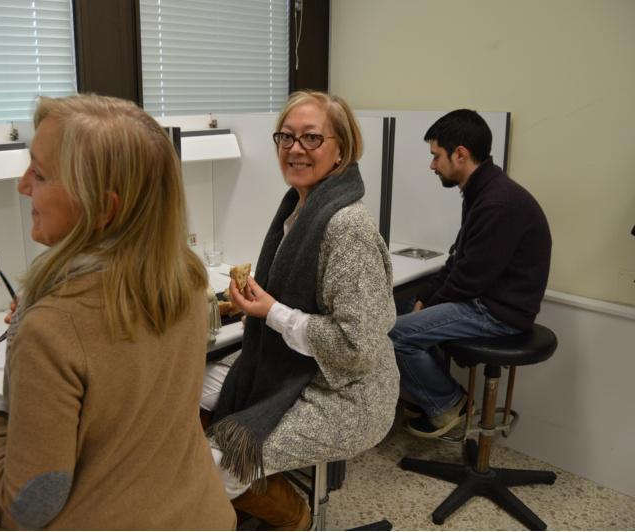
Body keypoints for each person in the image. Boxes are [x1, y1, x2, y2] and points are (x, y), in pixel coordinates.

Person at [0, 94, 236, 530]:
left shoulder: (50, 328)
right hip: (198, 513)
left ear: (103, 208)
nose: (23, 185)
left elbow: (33, 501)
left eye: (39, 174)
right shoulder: (187, 280)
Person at [200, 90, 399, 529]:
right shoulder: (297, 208)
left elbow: (355, 346)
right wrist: (251, 306)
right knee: (190, 390)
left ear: (340, 149)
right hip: (302, 366)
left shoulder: (346, 227)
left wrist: (271, 313)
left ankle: (298, 521)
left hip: (348, 393)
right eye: (286, 138)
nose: (295, 149)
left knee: (216, 467)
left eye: (311, 138)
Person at [390, 109, 551, 438]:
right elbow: (459, 260)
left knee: (394, 334)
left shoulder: (497, 203)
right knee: (405, 307)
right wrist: (424, 298)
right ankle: (431, 400)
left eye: (436, 156)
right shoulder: (482, 191)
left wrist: (430, 303)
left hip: (498, 313)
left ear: (460, 154)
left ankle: (449, 404)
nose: (432, 165)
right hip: (485, 299)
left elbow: (469, 279)